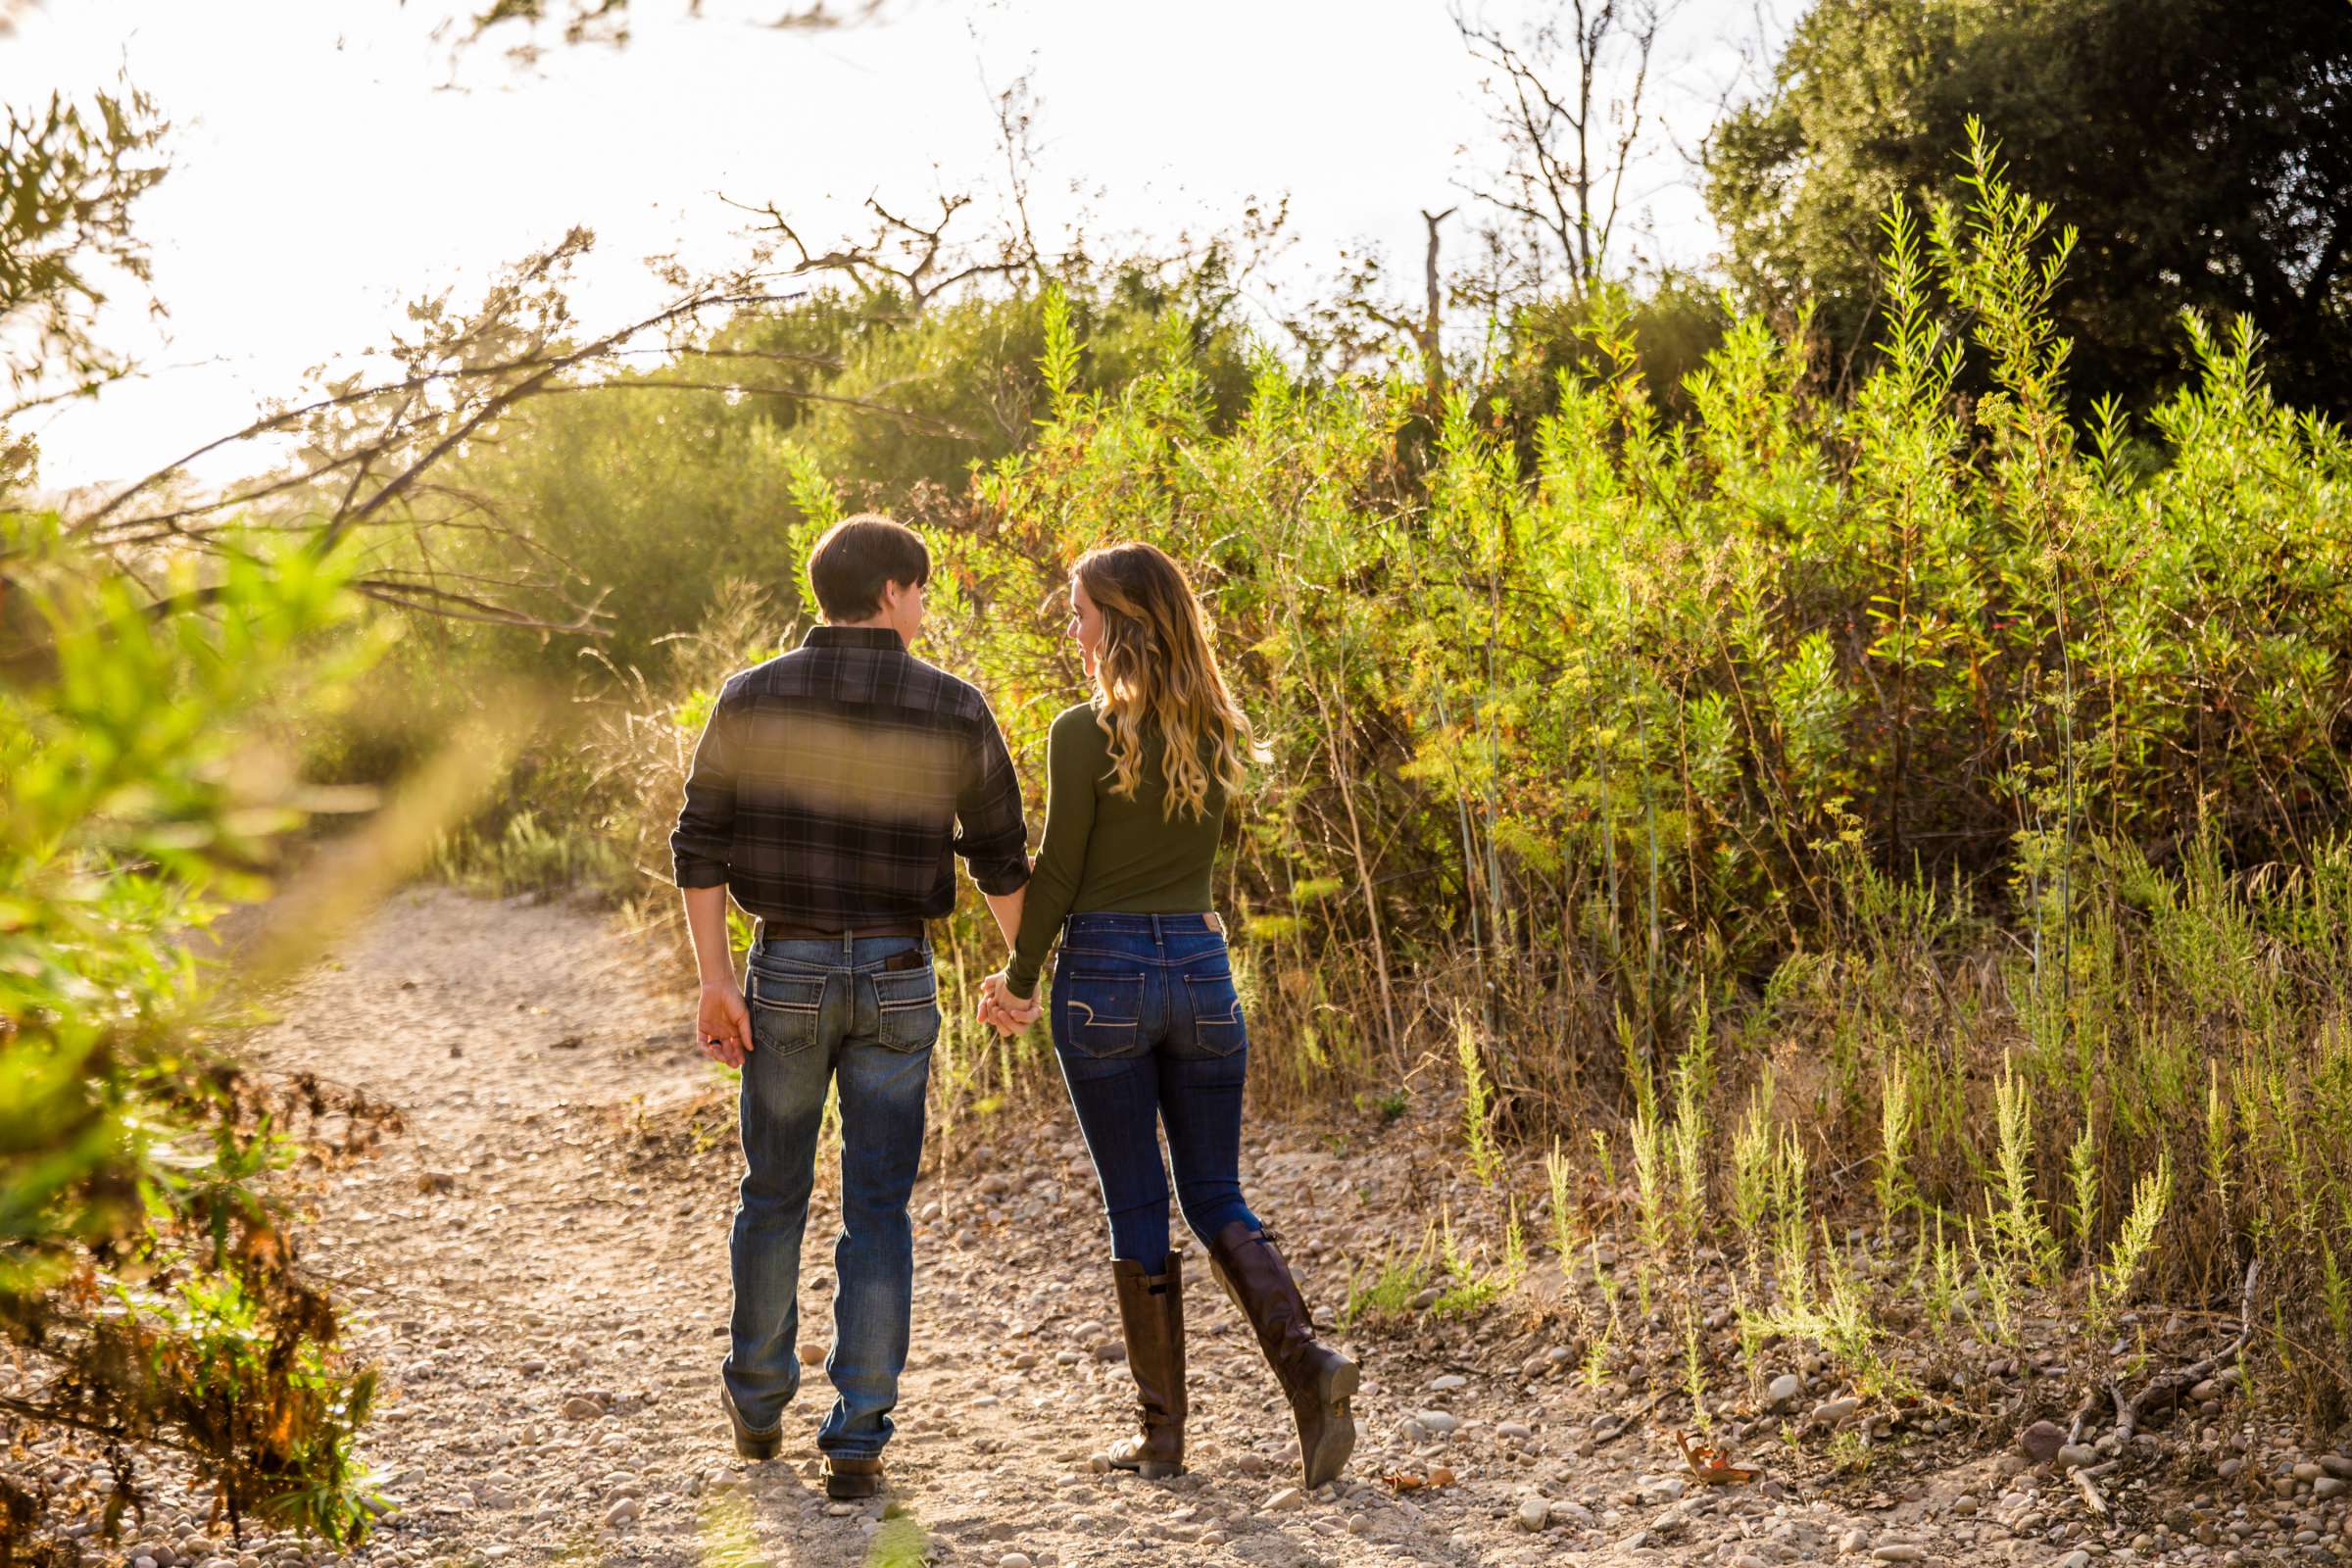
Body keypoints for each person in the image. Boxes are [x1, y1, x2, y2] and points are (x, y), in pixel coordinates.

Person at [976, 542, 1358, 1490]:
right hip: (1199, 966)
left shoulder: (1082, 732)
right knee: (1216, 1192)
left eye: (1081, 612)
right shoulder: (1217, 726)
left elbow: (1058, 871)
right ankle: (1309, 1367)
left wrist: (1021, 980)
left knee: (1139, 1203)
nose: (1072, 628)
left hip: (1103, 974)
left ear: (1123, 620)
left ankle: (1162, 1441)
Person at [671, 514, 1032, 1499]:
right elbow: (1001, 856)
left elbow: (697, 841)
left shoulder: (751, 696)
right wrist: (1028, 970)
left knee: (771, 1190)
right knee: (877, 1205)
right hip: (894, 977)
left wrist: (714, 978)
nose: (924, 606)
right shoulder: (953, 706)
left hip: (781, 970)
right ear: (889, 595)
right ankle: (859, 1432)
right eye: (919, 590)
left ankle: (756, 1399)